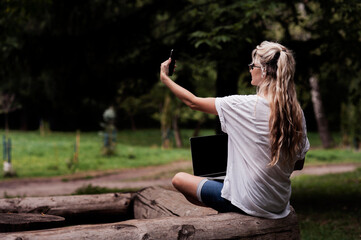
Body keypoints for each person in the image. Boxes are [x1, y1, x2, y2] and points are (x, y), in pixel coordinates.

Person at [160, 41, 310, 219]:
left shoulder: (245, 106)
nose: (249, 69)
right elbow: (298, 164)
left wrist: (165, 79)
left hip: (248, 203)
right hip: (278, 204)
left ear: (263, 70)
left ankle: (228, 212)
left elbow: (193, 102)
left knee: (179, 179)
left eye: (252, 65)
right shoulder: (296, 112)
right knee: (220, 182)